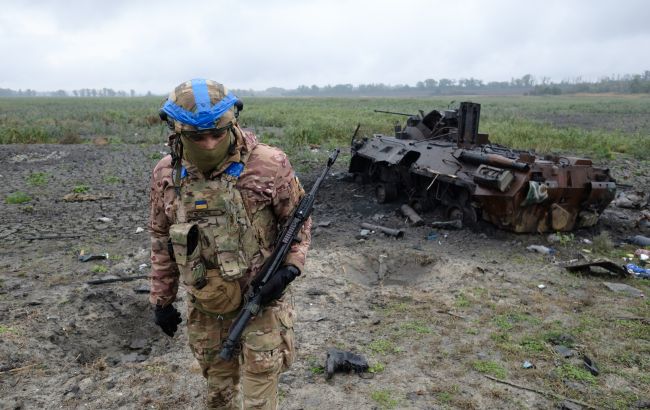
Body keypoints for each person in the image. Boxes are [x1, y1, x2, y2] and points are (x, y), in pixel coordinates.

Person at [148, 79, 311, 409]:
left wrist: (289, 270)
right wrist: (162, 300)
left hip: (262, 301)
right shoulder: (167, 174)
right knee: (218, 393)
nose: (209, 143)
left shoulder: (269, 164)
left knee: (259, 396)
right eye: (197, 136)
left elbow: (298, 223)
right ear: (177, 131)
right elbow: (162, 239)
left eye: (217, 133)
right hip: (207, 303)